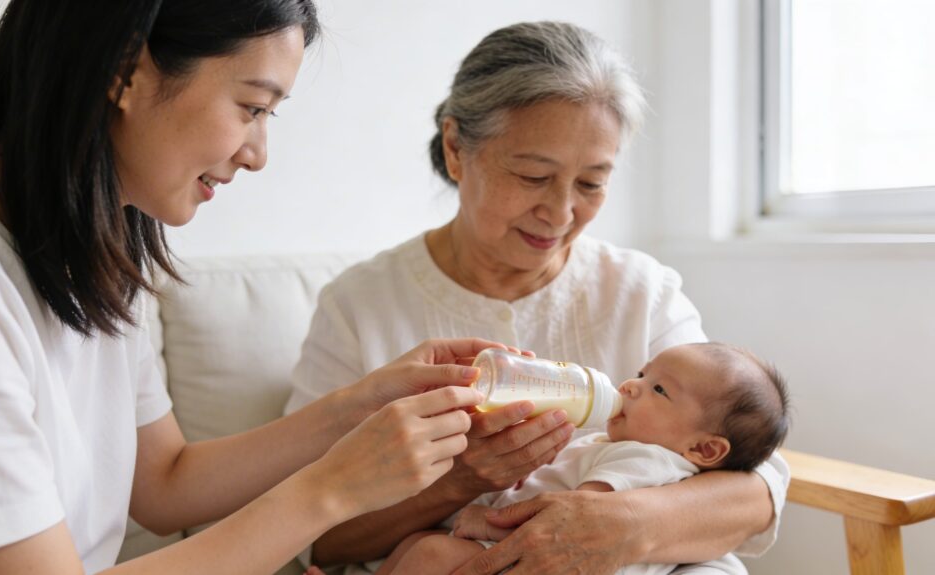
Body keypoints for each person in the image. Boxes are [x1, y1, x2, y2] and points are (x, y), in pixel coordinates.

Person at [0, 2, 516, 574]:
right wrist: (335, 489)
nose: (257, 155)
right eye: (252, 108)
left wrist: (360, 408)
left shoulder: (94, 236)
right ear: (125, 70)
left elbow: (163, 482)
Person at [284, 21, 791, 575]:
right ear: (456, 149)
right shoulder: (361, 306)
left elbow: (755, 484)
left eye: (592, 182)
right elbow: (312, 535)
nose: (562, 212)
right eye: (532, 176)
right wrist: (462, 481)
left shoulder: (640, 290)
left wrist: (619, 526)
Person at [371, 342, 791, 575]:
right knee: (415, 545)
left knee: (429, 555)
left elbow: (574, 524)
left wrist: (483, 519)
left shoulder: (646, 461)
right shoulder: (607, 443)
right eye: (644, 374)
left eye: (660, 390)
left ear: (703, 449)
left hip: (543, 561)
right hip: (517, 551)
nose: (630, 386)